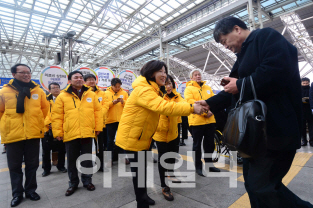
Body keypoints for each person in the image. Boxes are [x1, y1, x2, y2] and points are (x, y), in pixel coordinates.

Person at [197, 16, 312, 207]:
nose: (225, 46)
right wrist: (209, 103)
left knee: (263, 186)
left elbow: (277, 71)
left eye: (224, 41)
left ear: (237, 29)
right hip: (254, 135)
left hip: (276, 129)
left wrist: (241, 84)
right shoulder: (241, 56)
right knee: (252, 183)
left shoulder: (266, 37)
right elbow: (231, 89)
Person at [115, 60, 205, 208]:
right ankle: (141, 203)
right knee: (139, 174)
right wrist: (191, 108)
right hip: (132, 138)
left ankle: (143, 197)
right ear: (151, 73)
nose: (164, 75)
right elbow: (163, 107)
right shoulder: (143, 90)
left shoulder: (152, 89)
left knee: (141, 171)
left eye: (165, 71)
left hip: (141, 137)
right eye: (160, 71)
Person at [0, 63, 49, 207]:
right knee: (14, 167)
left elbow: (45, 111)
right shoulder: (5, 91)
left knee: (32, 165)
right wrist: (6, 127)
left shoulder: (38, 91)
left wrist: (42, 125)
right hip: (13, 135)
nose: (27, 75)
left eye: (28, 72)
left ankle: (30, 191)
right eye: (23, 72)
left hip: (33, 134)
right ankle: (17, 194)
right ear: (14, 74)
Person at [52, 71, 103, 196]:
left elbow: (98, 111)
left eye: (81, 77)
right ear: (69, 80)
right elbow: (57, 115)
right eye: (76, 77)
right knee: (71, 160)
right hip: (70, 133)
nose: (79, 79)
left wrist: (98, 127)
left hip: (87, 132)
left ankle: (87, 181)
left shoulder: (91, 94)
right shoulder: (62, 96)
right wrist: (58, 131)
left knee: (86, 159)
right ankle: (73, 183)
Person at [153, 75, 184, 201]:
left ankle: (171, 174)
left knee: (172, 156)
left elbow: (183, 106)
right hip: (160, 133)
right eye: (165, 84)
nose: (168, 86)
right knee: (163, 158)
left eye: (170, 83)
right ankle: (164, 186)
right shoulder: (157, 97)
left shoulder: (177, 97)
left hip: (174, 133)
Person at [184, 69, 220, 176]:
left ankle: (209, 165)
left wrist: (212, 110)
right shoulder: (189, 89)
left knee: (209, 144)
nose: (198, 76)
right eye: (195, 75)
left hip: (210, 121)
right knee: (197, 145)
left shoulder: (208, 88)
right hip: (197, 121)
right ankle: (198, 167)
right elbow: (191, 102)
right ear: (191, 78)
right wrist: (206, 112)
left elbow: (214, 100)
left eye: (199, 74)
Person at [84, 74, 109, 171]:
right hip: (88, 124)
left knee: (100, 145)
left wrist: (98, 115)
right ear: (85, 82)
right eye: (89, 80)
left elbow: (106, 105)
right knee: (88, 145)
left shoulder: (102, 93)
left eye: (93, 79)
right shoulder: (84, 93)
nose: (91, 81)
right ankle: (88, 163)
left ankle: (100, 164)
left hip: (100, 123)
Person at [42, 82, 67, 177]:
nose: (56, 89)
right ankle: (46, 169)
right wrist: (49, 124)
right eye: (53, 88)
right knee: (46, 151)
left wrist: (58, 125)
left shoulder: (64, 99)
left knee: (61, 149)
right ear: (49, 90)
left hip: (61, 128)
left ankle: (61, 166)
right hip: (47, 129)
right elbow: (42, 113)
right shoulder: (45, 100)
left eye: (57, 87)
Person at [105, 78, 129, 167]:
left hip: (122, 120)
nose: (117, 88)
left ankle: (123, 158)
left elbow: (129, 105)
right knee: (109, 141)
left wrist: (123, 102)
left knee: (121, 140)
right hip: (110, 120)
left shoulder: (124, 93)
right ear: (112, 85)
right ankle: (108, 160)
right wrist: (112, 102)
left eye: (119, 87)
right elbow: (104, 105)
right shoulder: (105, 93)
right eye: (116, 87)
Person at [301, 77, 313, 146]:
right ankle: (304, 140)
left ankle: (312, 140)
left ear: (308, 83)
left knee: (311, 126)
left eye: (306, 83)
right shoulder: (298, 90)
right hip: (302, 110)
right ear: (301, 83)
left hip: (309, 110)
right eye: (304, 83)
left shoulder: (311, 89)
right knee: (302, 127)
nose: (305, 84)